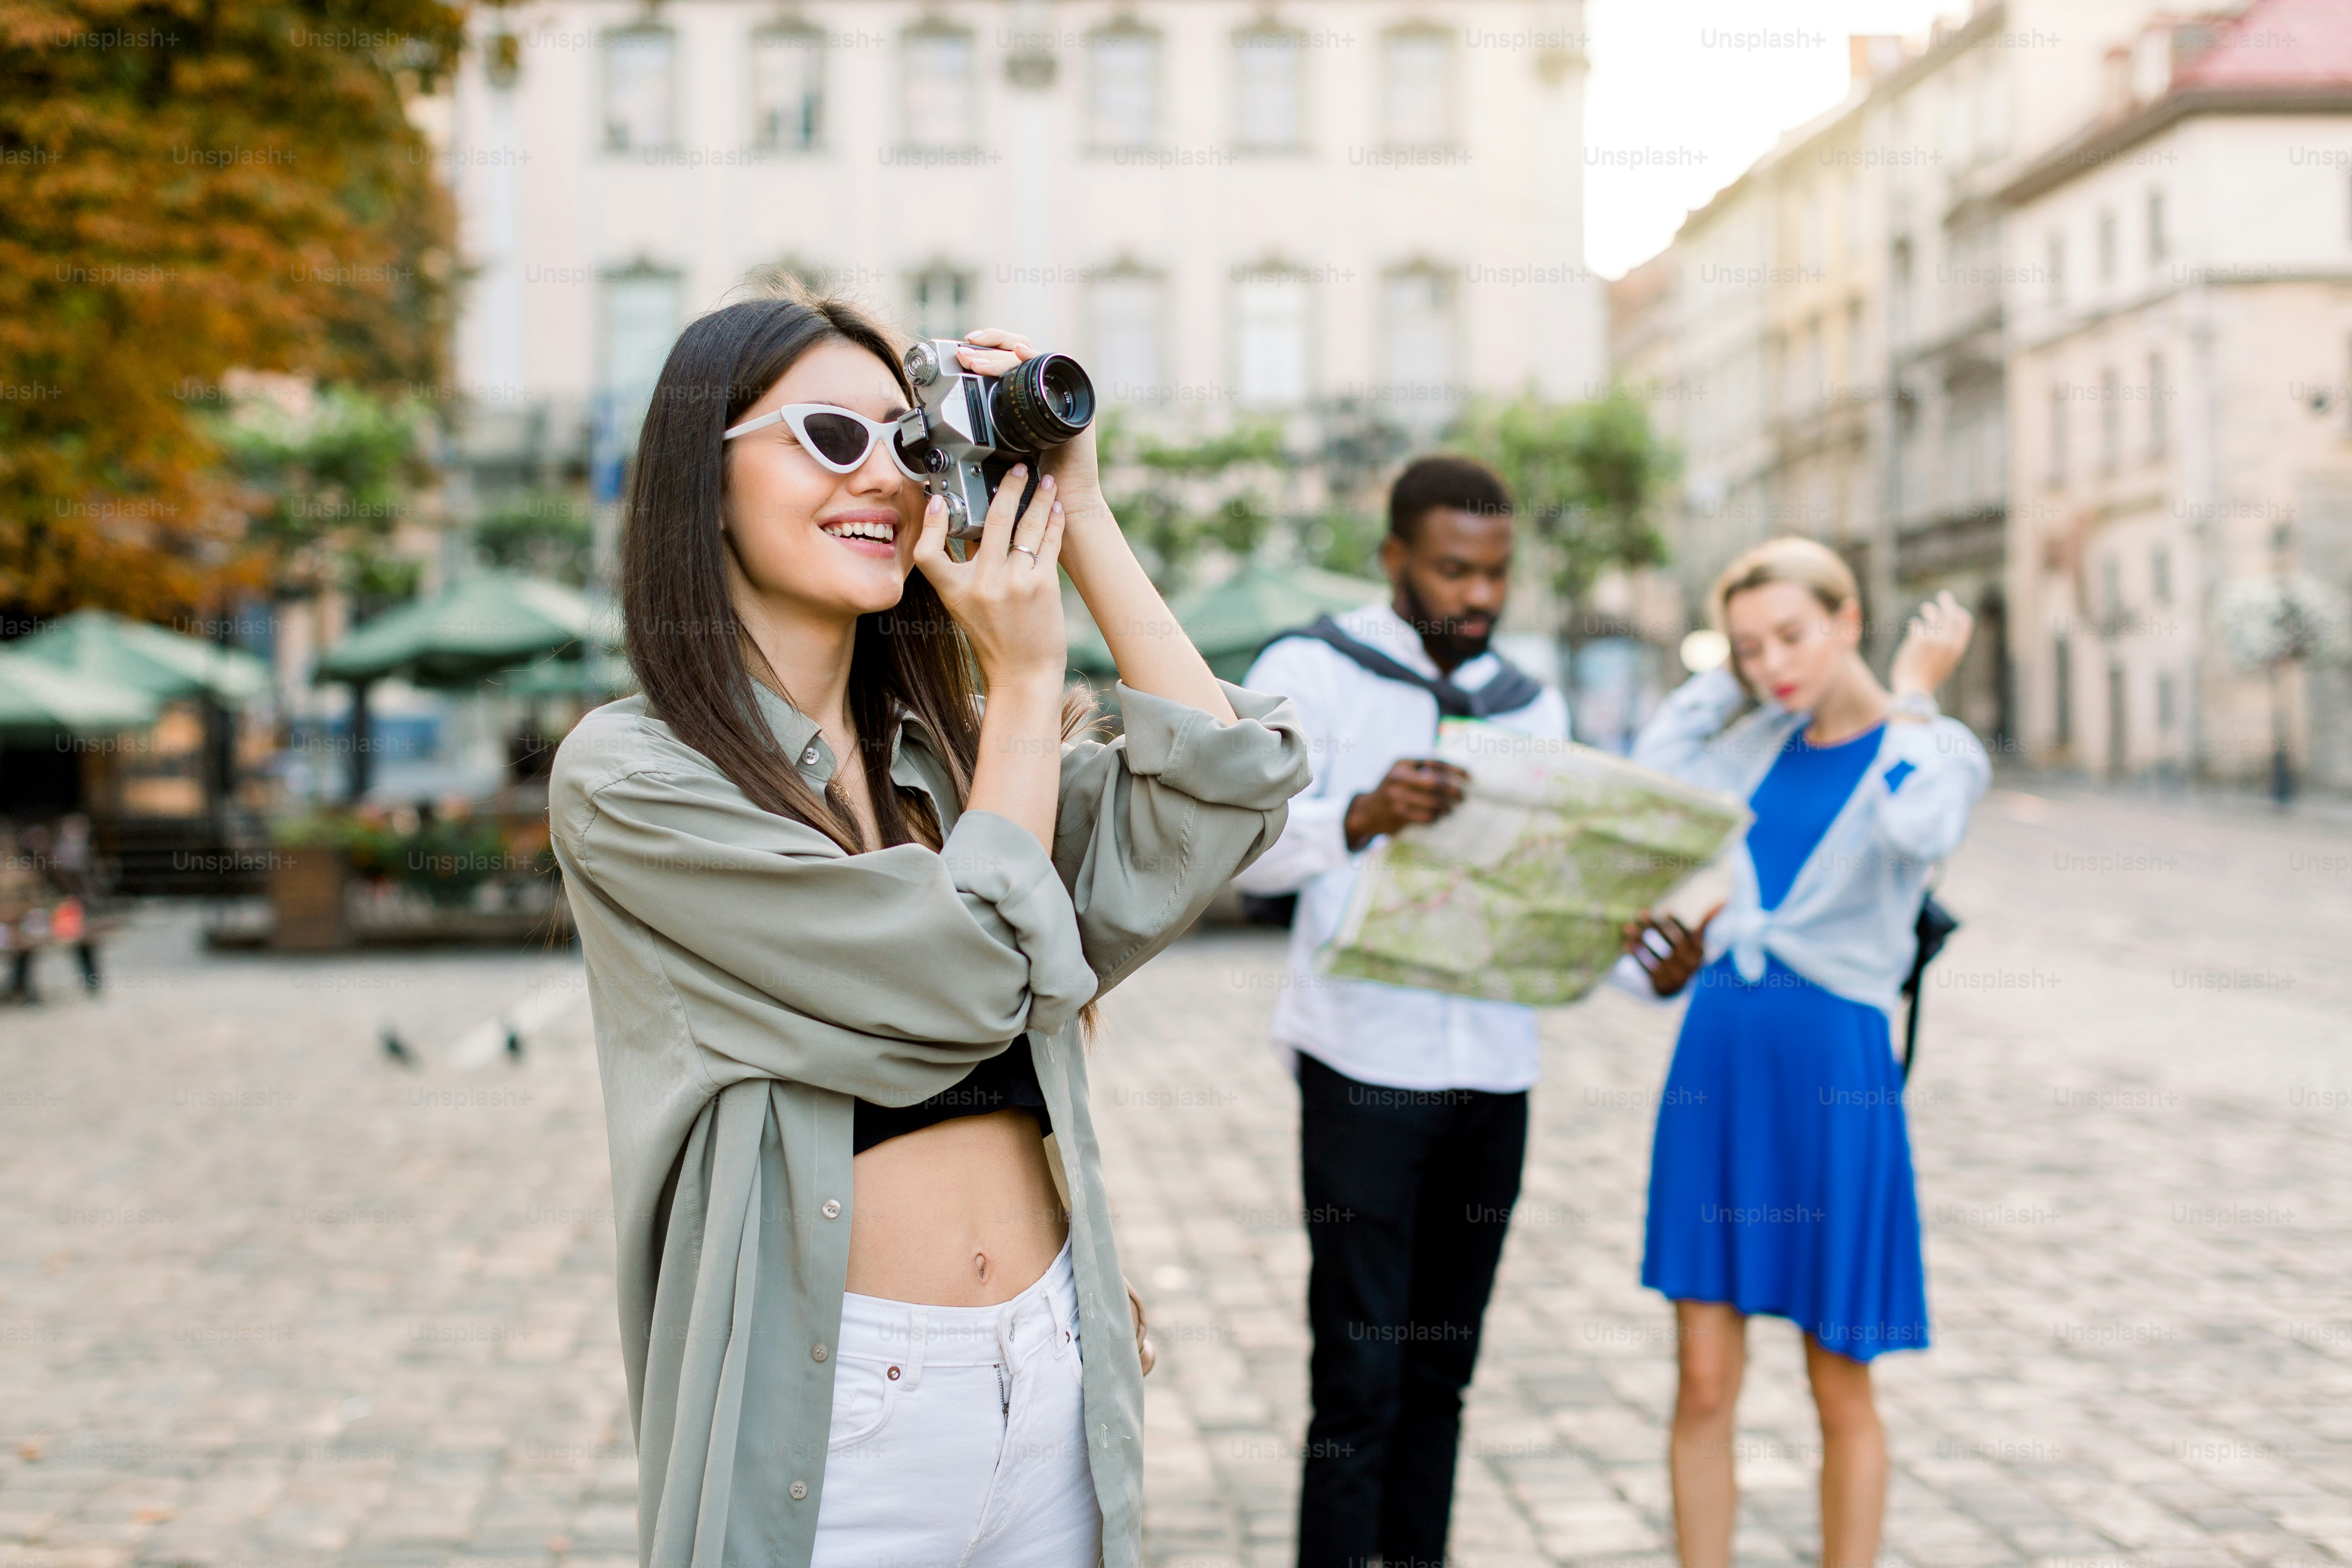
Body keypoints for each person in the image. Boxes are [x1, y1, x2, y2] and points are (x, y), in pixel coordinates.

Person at [547, 292, 1312, 1568]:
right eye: (828, 437)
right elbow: (957, 978)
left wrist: (1085, 516)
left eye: (909, 444)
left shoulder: (947, 761)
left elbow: (1223, 795)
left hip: (1053, 1358)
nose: (882, 479)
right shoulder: (634, 780)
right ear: (701, 472)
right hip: (839, 1405)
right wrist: (1019, 683)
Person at [1232, 456, 1571, 1568]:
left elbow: (1551, 879)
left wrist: (1628, 941)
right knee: (1359, 1374)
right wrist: (1363, 814)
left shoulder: (1535, 699)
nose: (1479, 595)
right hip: (1362, 1067)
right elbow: (1242, 853)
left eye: (1496, 573)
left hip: (1493, 1070)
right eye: (1453, 569)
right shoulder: (1309, 670)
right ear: (1394, 560)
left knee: (1444, 1373)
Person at [1622, 537, 1987, 1568]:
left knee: (1840, 1375)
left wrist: (1912, 695)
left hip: (1835, 1074)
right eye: (1746, 647)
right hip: (1717, 1066)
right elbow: (1651, 778)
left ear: (1849, 618)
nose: (1770, 662)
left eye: (1792, 632)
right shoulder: (1748, 742)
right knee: (1699, 1378)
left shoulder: (1938, 747)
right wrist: (1720, 676)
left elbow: (1916, 829)